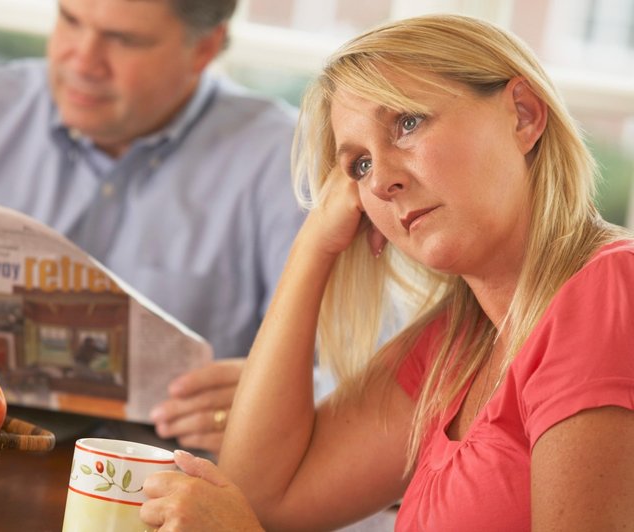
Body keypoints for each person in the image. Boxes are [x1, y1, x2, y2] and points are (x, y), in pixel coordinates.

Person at [138, 14, 634, 531]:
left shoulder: (606, 289)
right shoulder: (459, 344)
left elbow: (244, 517)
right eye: (359, 166)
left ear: (524, 115)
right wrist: (315, 242)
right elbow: (263, 494)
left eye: (408, 124)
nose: (381, 183)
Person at [0, 0, 304, 454]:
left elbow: (349, 372)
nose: (82, 60)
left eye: (123, 39)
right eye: (70, 20)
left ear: (204, 48)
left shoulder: (285, 163)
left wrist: (277, 399)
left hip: (161, 490)